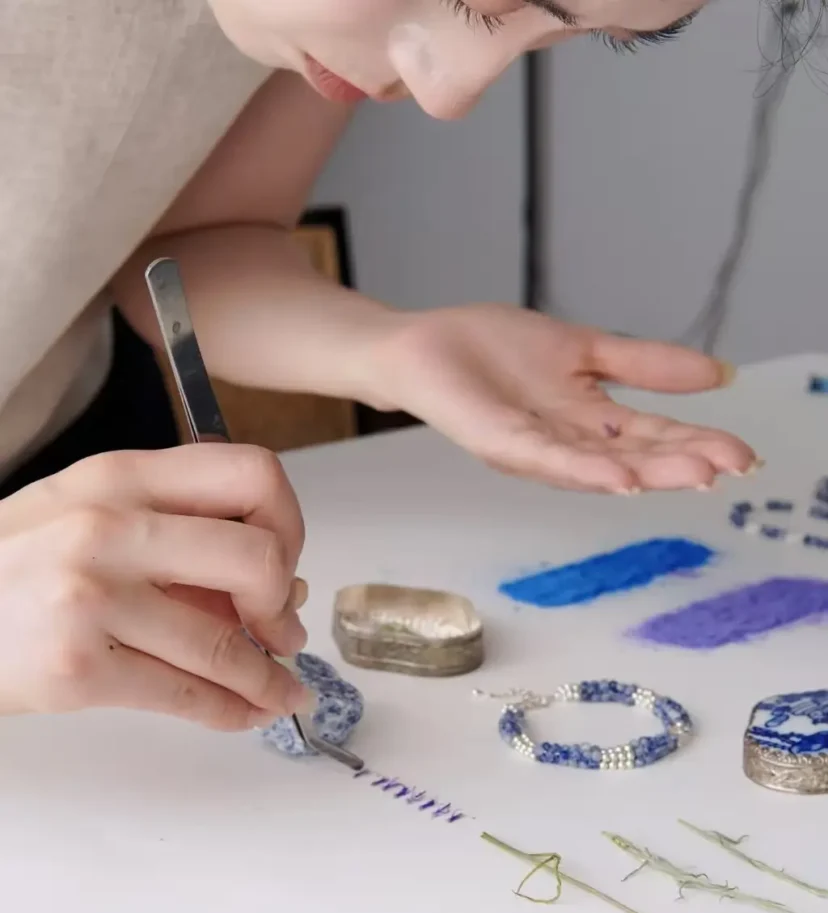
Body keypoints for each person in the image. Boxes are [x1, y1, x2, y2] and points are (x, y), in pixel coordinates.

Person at [0, 0, 759, 730]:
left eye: (597, 32)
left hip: (65, 464)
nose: (445, 92)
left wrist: (388, 350)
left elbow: (196, 239)